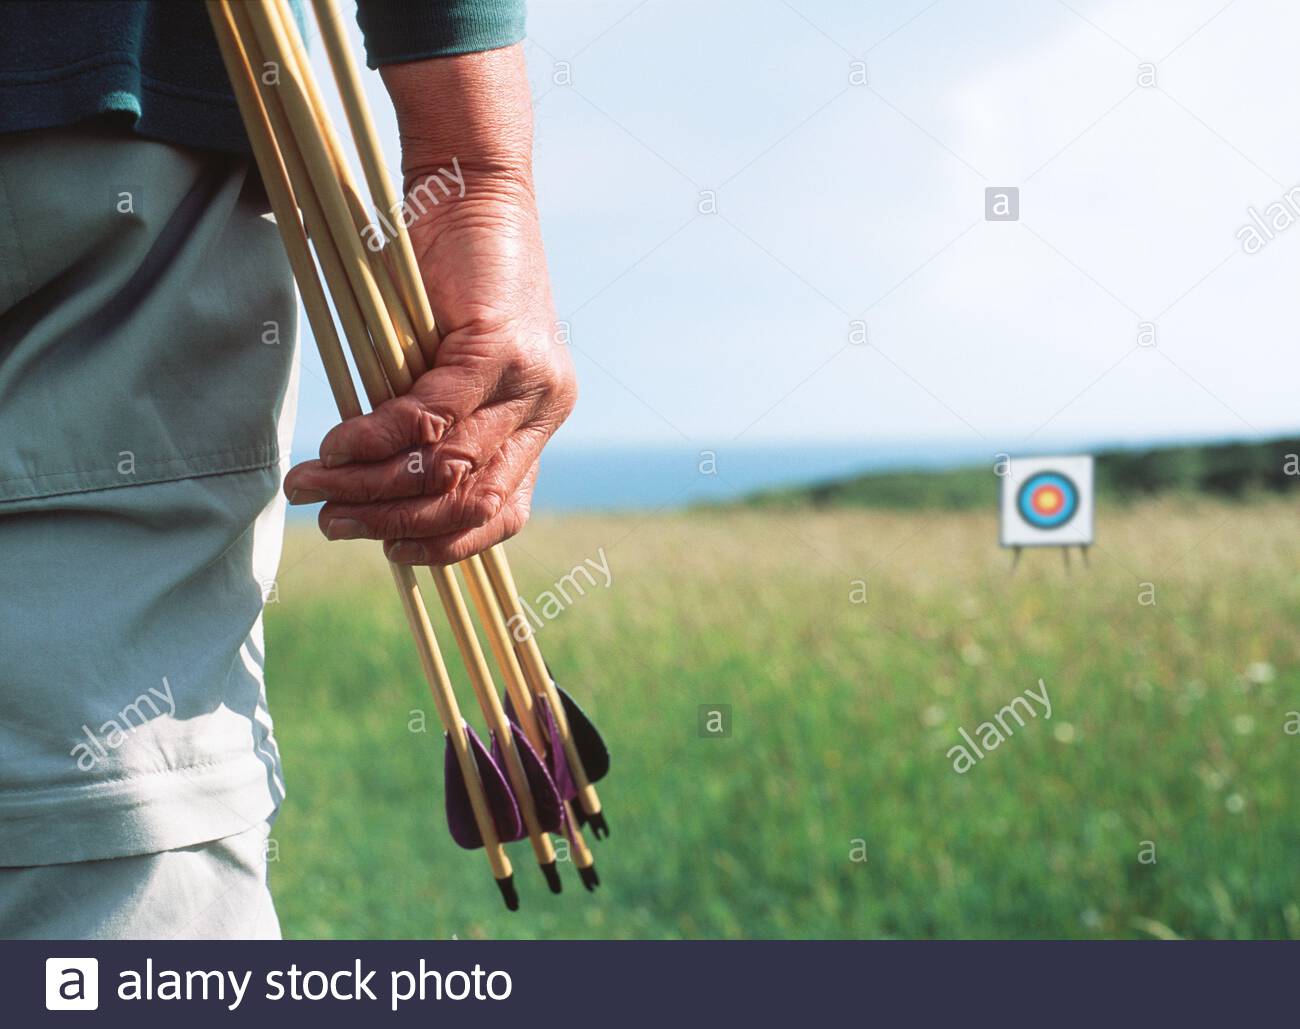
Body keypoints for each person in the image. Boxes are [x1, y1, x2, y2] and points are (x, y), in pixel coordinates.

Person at [0, 0, 575, 939]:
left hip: (96, 156)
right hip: (108, 161)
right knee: (101, 832)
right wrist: (475, 172)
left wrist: (477, 177)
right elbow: (467, 172)